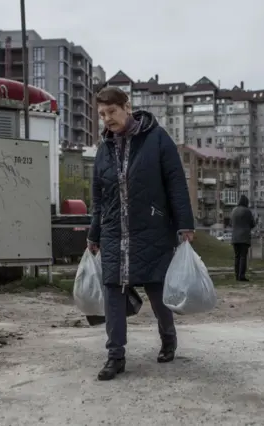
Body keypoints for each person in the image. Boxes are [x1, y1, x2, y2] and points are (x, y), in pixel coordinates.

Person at [87, 86, 195, 381]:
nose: (107, 119)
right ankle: (115, 356)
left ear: (127, 107)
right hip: (112, 232)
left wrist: (184, 224)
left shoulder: (157, 139)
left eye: (112, 112)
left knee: (157, 290)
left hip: (151, 229)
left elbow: (176, 183)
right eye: (102, 114)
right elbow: (98, 195)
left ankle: (168, 337)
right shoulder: (104, 148)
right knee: (113, 293)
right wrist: (94, 233)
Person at [230, 195, 256, 281]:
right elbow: (252, 224)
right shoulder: (247, 211)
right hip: (244, 237)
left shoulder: (233, 210)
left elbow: (231, 223)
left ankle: (237, 275)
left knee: (237, 256)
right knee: (243, 257)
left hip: (235, 237)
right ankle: (242, 276)